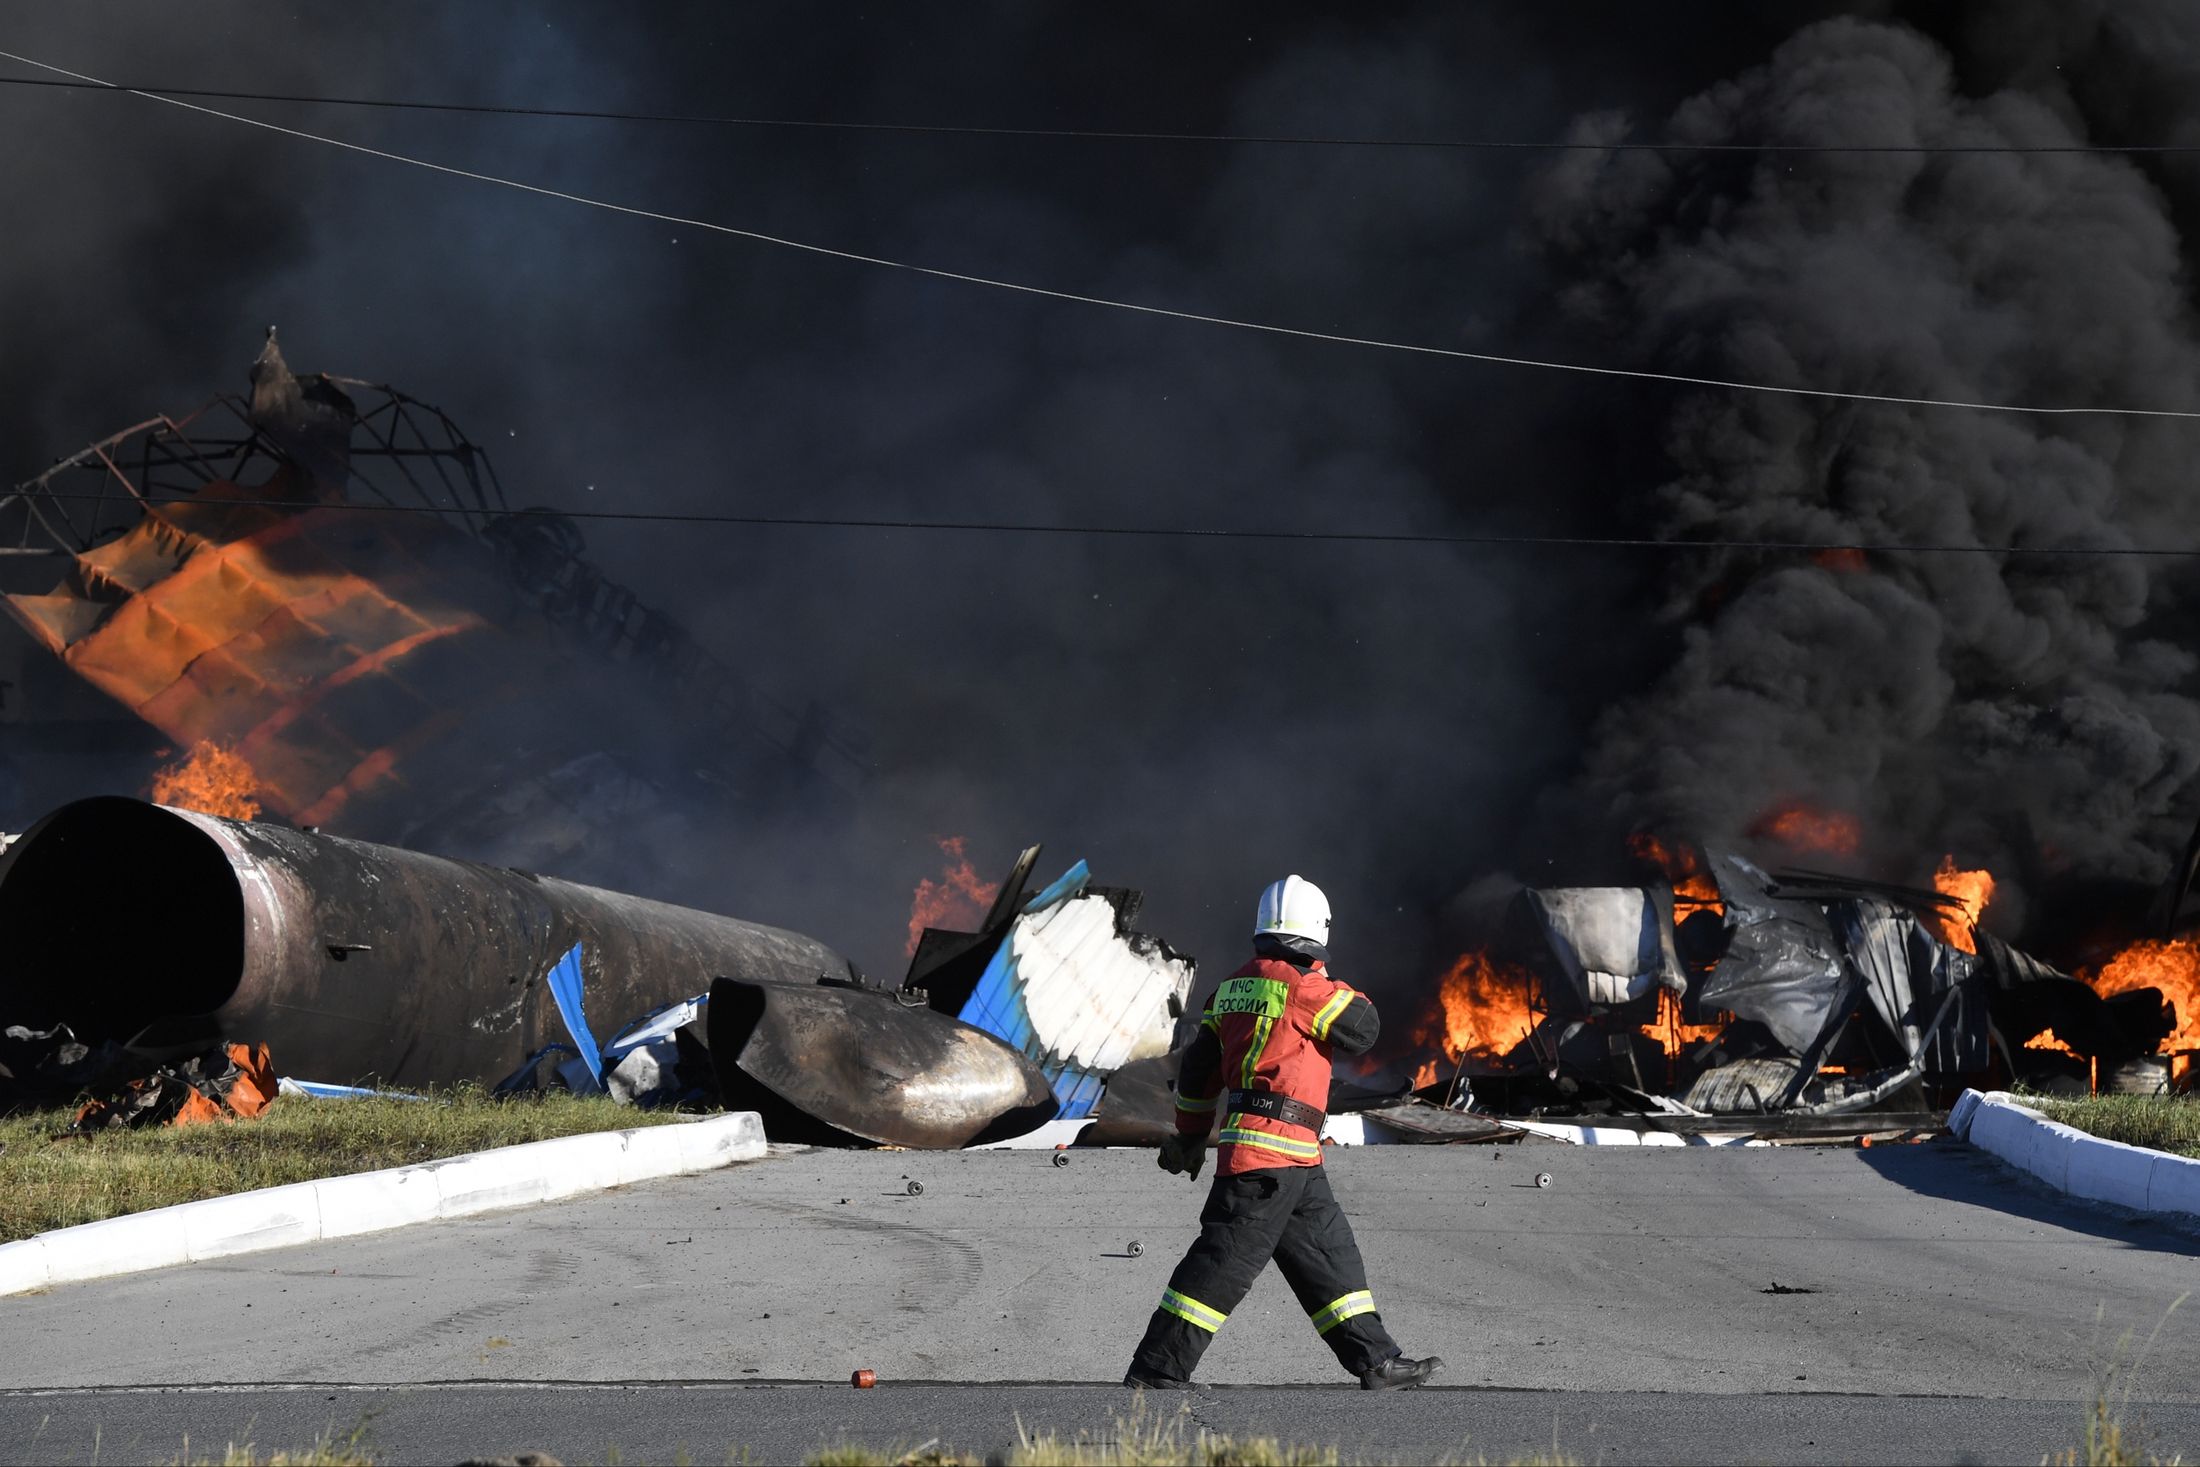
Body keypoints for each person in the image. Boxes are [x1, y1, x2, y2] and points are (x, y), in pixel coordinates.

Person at [1124, 875, 1443, 1391]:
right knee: (1223, 1262)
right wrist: (1326, 978)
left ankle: (1376, 1362)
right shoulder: (1305, 988)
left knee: (1329, 1253)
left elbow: (1198, 1074)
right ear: (1317, 932)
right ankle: (1158, 1369)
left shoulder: (1229, 989)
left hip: (1292, 1158)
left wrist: (1189, 1136)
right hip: (1268, 1159)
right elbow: (1364, 1028)